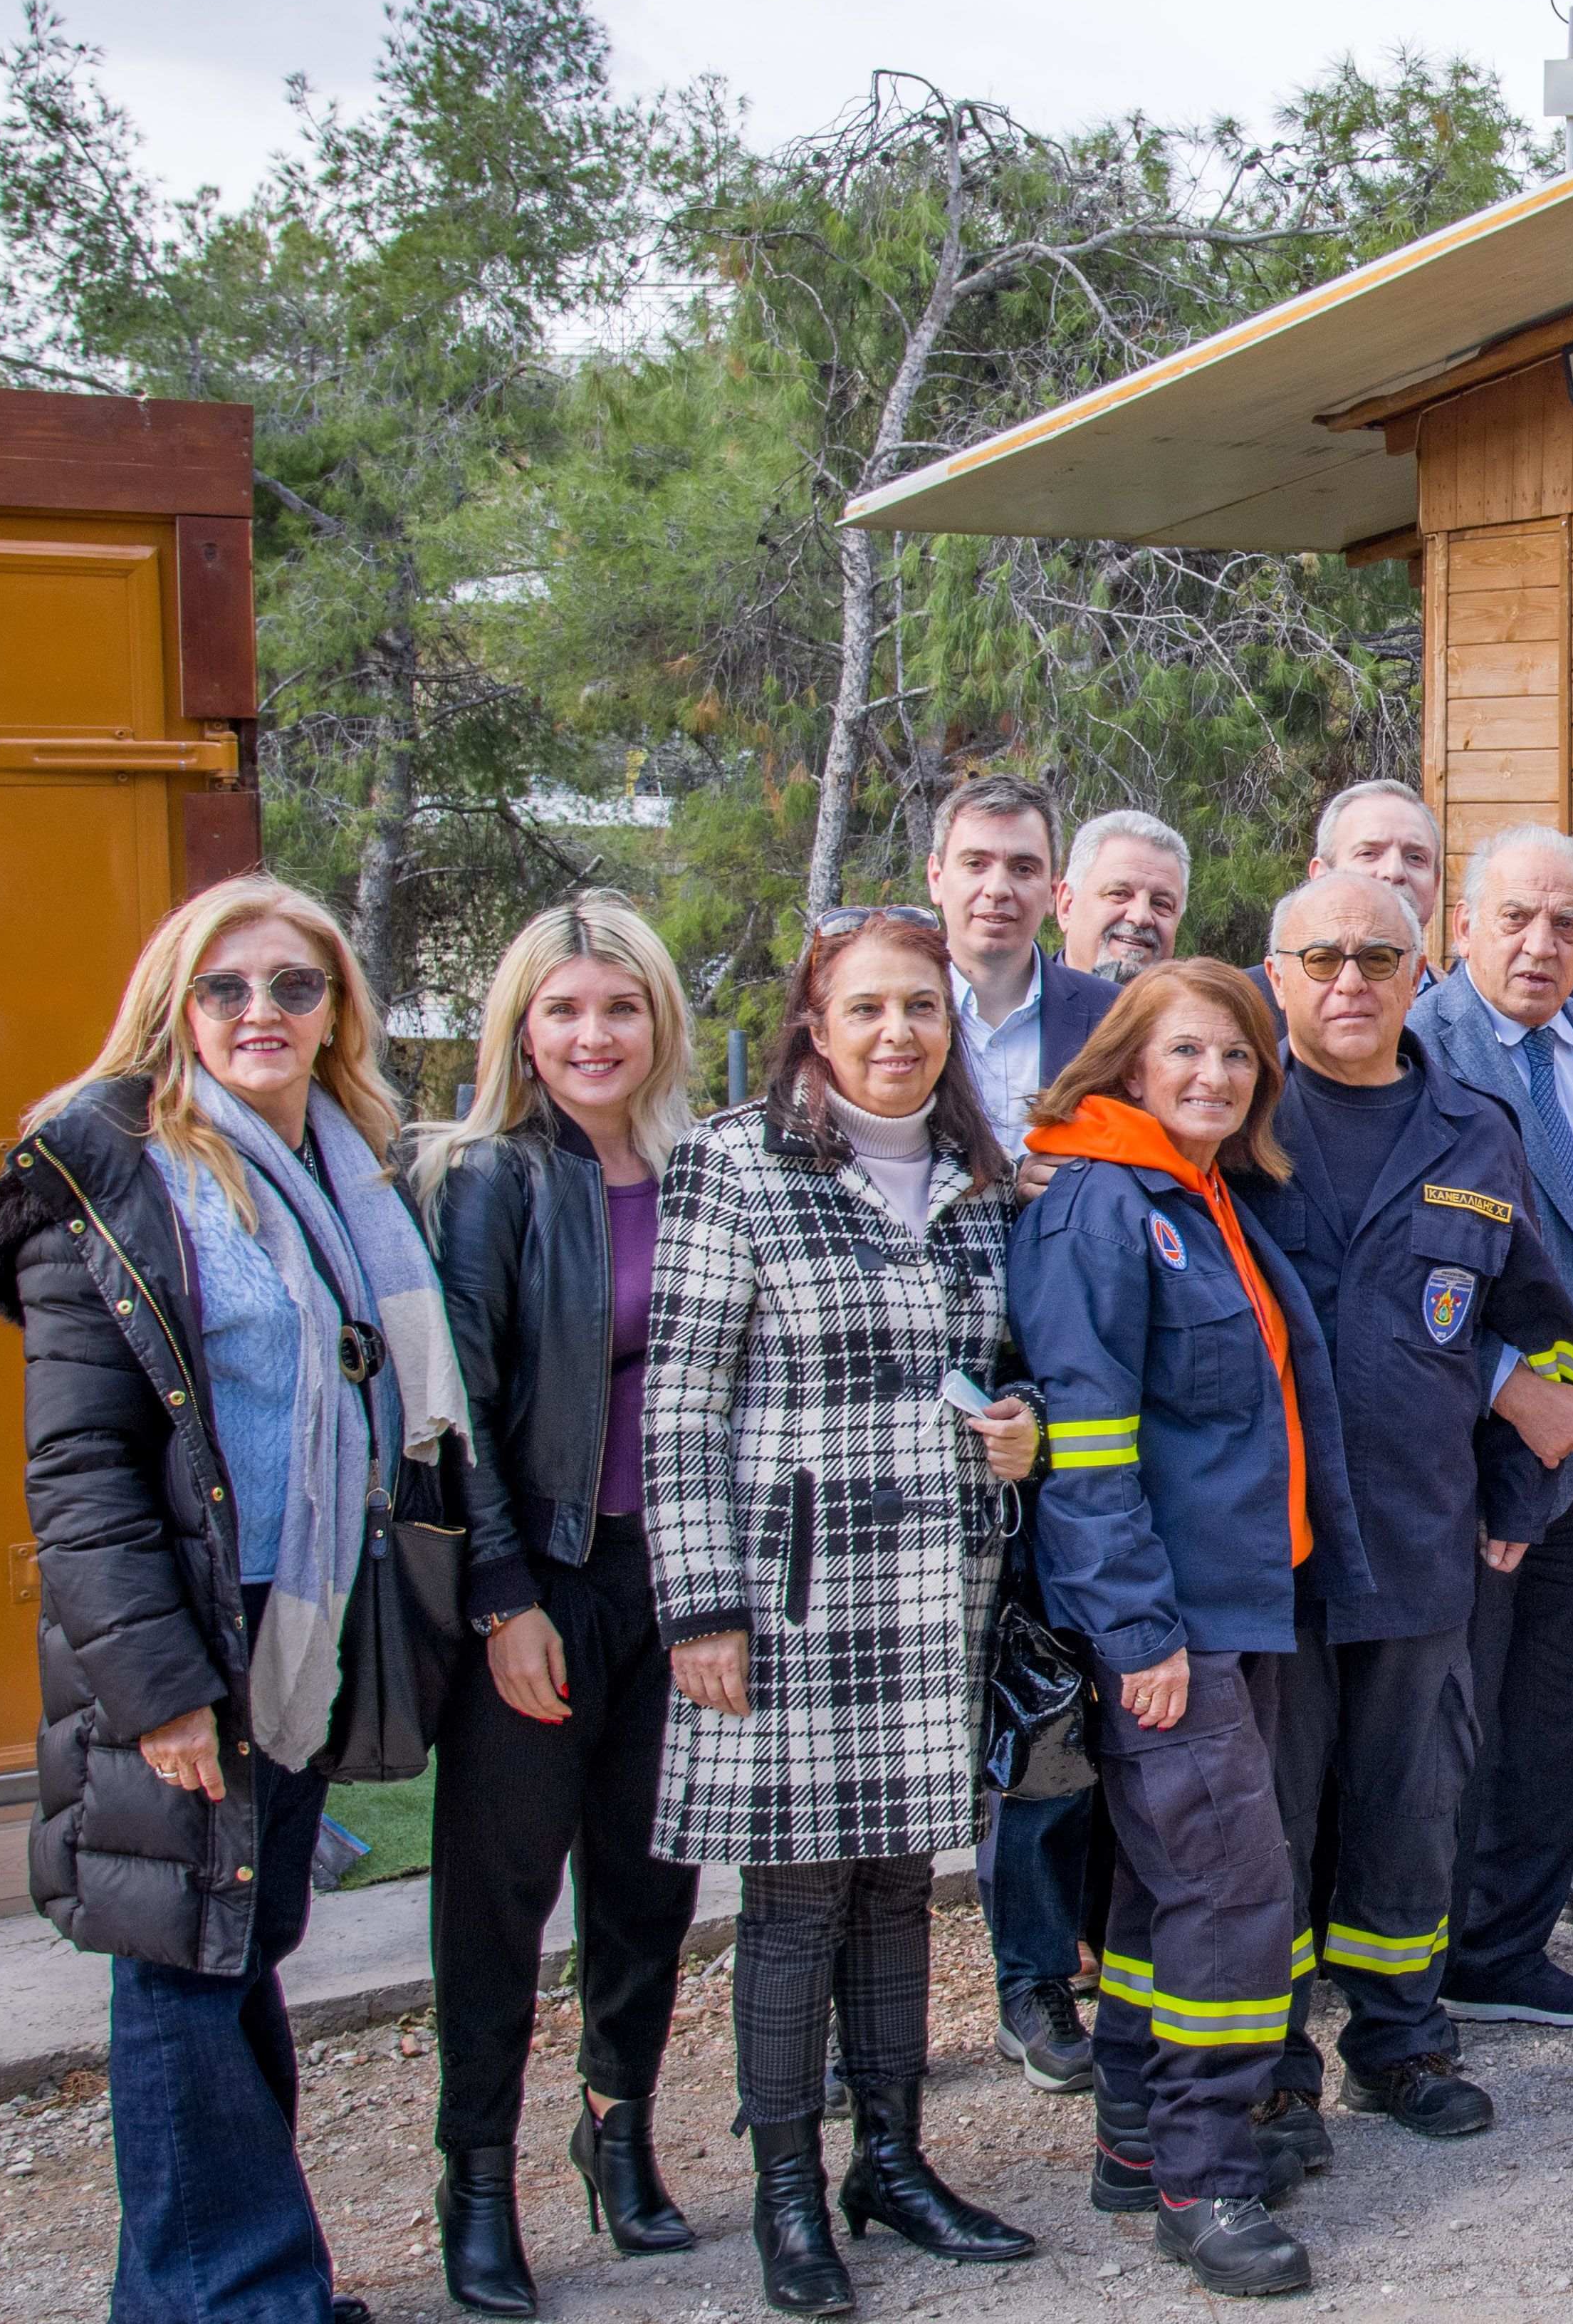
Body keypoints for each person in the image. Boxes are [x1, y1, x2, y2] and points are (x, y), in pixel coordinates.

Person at [0, 876, 465, 2324]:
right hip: (192, 1629)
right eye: (227, 986)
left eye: (293, 986)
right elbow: (83, 1467)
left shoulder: (339, 1164)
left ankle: (190, 2289)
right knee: (186, 1971)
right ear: (174, 1003)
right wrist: (163, 1685)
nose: (262, 1012)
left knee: (236, 1954)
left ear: (335, 1011)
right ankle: (246, 2298)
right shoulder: (107, 1175)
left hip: (301, 1625)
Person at [644, 908, 1044, 2313]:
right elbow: (683, 1401)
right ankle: (788, 2194)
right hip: (792, 1593)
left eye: (921, 1010)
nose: (896, 1034)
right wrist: (700, 1605)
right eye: (867, 1008)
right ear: (814, 1022)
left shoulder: (986, 1179)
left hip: (939, 1582)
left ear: (950, 1026)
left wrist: (1025, 1424)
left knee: (897, 1885)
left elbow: (1014, 1360)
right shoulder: (733, 1166)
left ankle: (894, 2155)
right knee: (796, 1897)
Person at [1013, 958, 1375, 2299]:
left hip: (1244, 1598)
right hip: (1170, 1620)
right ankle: (1205, 2175)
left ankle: (1134, 2133)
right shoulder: (1103, 1204)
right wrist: (1138, 1631)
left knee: (1179, 1885)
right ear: (1126, 1063)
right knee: (1232, 1887)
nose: (1215, 1076)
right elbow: (1089, 1446)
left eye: (1235, 1056)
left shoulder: (1202, 1192)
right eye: (1186, 1053)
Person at [1237, 870, 1573, 2149]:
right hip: (1259, 1556)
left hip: (1418, 1535)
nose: (1349, 981)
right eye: (1321, 955)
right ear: (1274, 971)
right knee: (1267, 1824)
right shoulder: (1229, 1115)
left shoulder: (1474, 1130)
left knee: (1410, 1807)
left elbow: (1536, 1336)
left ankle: (1399, 2039)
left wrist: (1517, 1495)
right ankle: (1268, 2069)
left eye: (1379, 958)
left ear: (1419, 973)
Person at [412, 896, 708, 2315]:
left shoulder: (705, 1173)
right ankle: (476, 2176)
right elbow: (454, 1405)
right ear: (521, 1030)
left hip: (680, 1587)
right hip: (544, 1577)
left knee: (648, 1886)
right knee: (499, 1896)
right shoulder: (489, 1179)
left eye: (619, 1006)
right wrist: (500, 1592)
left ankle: (618, 2125)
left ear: (658, 1021)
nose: (593, 1034)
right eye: (563, 1010)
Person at [1419, 830, 1573, 2033]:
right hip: (1465, 1453)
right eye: (1517, 917)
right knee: (1451, 1718)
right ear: (1461, 924)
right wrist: (1507, 1383)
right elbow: (1377, 1271)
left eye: (1567, 923)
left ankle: (1506, 1951)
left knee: (1561, 1706)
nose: (1541, 943)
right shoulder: (1418, 1050)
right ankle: (1412, 1961)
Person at [923, 774, 1124, 2089]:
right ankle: (852, 2004)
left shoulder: (1102, 1018)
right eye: (975, 862)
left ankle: (1037, 1977)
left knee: (1050, 1705)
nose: (997, 886)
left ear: (1057, 891)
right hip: (897, 1394)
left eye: (1022, 866)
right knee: (886, 1709)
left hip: (1056, 1388)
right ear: (936, 873)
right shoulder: (874, 1000)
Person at [1310, 778, 1447, 959]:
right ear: (1321, 877)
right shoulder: (1265, 986)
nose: (1395, 871)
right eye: (1368, 854)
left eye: (1415, 857)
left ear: (1436, 884)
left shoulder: (1450, 988)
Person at [1065, 808, 1196, 981]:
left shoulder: (1198, 1007)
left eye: (1161, 904)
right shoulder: (1027, 1003)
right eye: (1119, 894)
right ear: (1066, 906)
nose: (1141, 917)